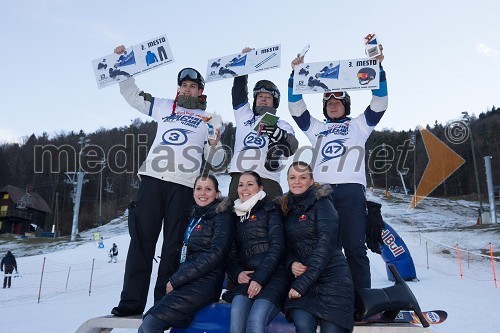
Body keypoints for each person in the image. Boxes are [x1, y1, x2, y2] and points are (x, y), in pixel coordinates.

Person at [111, 45, 223, 317]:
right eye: (183, 85)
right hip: (153, 179)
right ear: (178, 89)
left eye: (192, 86)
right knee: (141, 242)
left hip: (185, 186)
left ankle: (163, 303)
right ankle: (131, 303)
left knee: (173, 246)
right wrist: (123, 65)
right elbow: (132, 95)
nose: (187, 90)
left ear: (200, 91)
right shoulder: (163, 105)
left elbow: (216, 160)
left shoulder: (212, 118)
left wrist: (215, 144)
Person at [288, 34, 387, 291]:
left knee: (355, 247)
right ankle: (326, 296)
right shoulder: (317, 129)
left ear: (345, 104)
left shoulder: (359, 126)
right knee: (326, 248)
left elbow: (379, 102)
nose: (333, 106)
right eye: (329, 103)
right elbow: (296, 108)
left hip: (352, 191)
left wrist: (378, 69)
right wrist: (294, 77)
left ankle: (361, 300)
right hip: (322, 193)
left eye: (337, 102)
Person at [138, 174, 233, 333]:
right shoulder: (195, 215)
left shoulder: (222, 216)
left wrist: (177, 279)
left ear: (217, 194)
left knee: (150, 325)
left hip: (205, 283)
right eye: (199, 189)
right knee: (146, 324)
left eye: (208, 189)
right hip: (188, 282)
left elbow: (216, 254)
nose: (203, 193)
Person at [279, 162, 354, 333]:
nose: (297, 181)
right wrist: (291, 263)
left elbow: (325, 247)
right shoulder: (287, 208)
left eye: (303, 177)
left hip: (332, 281)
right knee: (303, 326)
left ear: (311, 180)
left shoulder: (323, 203)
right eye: (292, 177)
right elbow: (287, 245)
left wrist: (301, 284)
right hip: (305, 283)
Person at [228, 47, 299, 201]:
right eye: (260, 95)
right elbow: (238, 92)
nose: (263, 99)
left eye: (268, 96)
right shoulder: (244, 115)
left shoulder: (282, 124)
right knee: (232, 218)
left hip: (267, 178)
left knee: (271, 220)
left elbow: (292, 147)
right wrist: (244, 63)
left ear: (275, 102)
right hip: (239, 176)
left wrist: (279, 135)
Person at [226, 171, 289, 333]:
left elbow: (278, 247)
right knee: (236, 318)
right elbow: (230, 253)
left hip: (275, 276)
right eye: (241, 185)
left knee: (255, 320)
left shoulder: (271, 209)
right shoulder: (234, 215)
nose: (244, 188)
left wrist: (260, 278)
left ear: (260, 187)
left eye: (250, 184)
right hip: (248, 278)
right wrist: (237, 272)